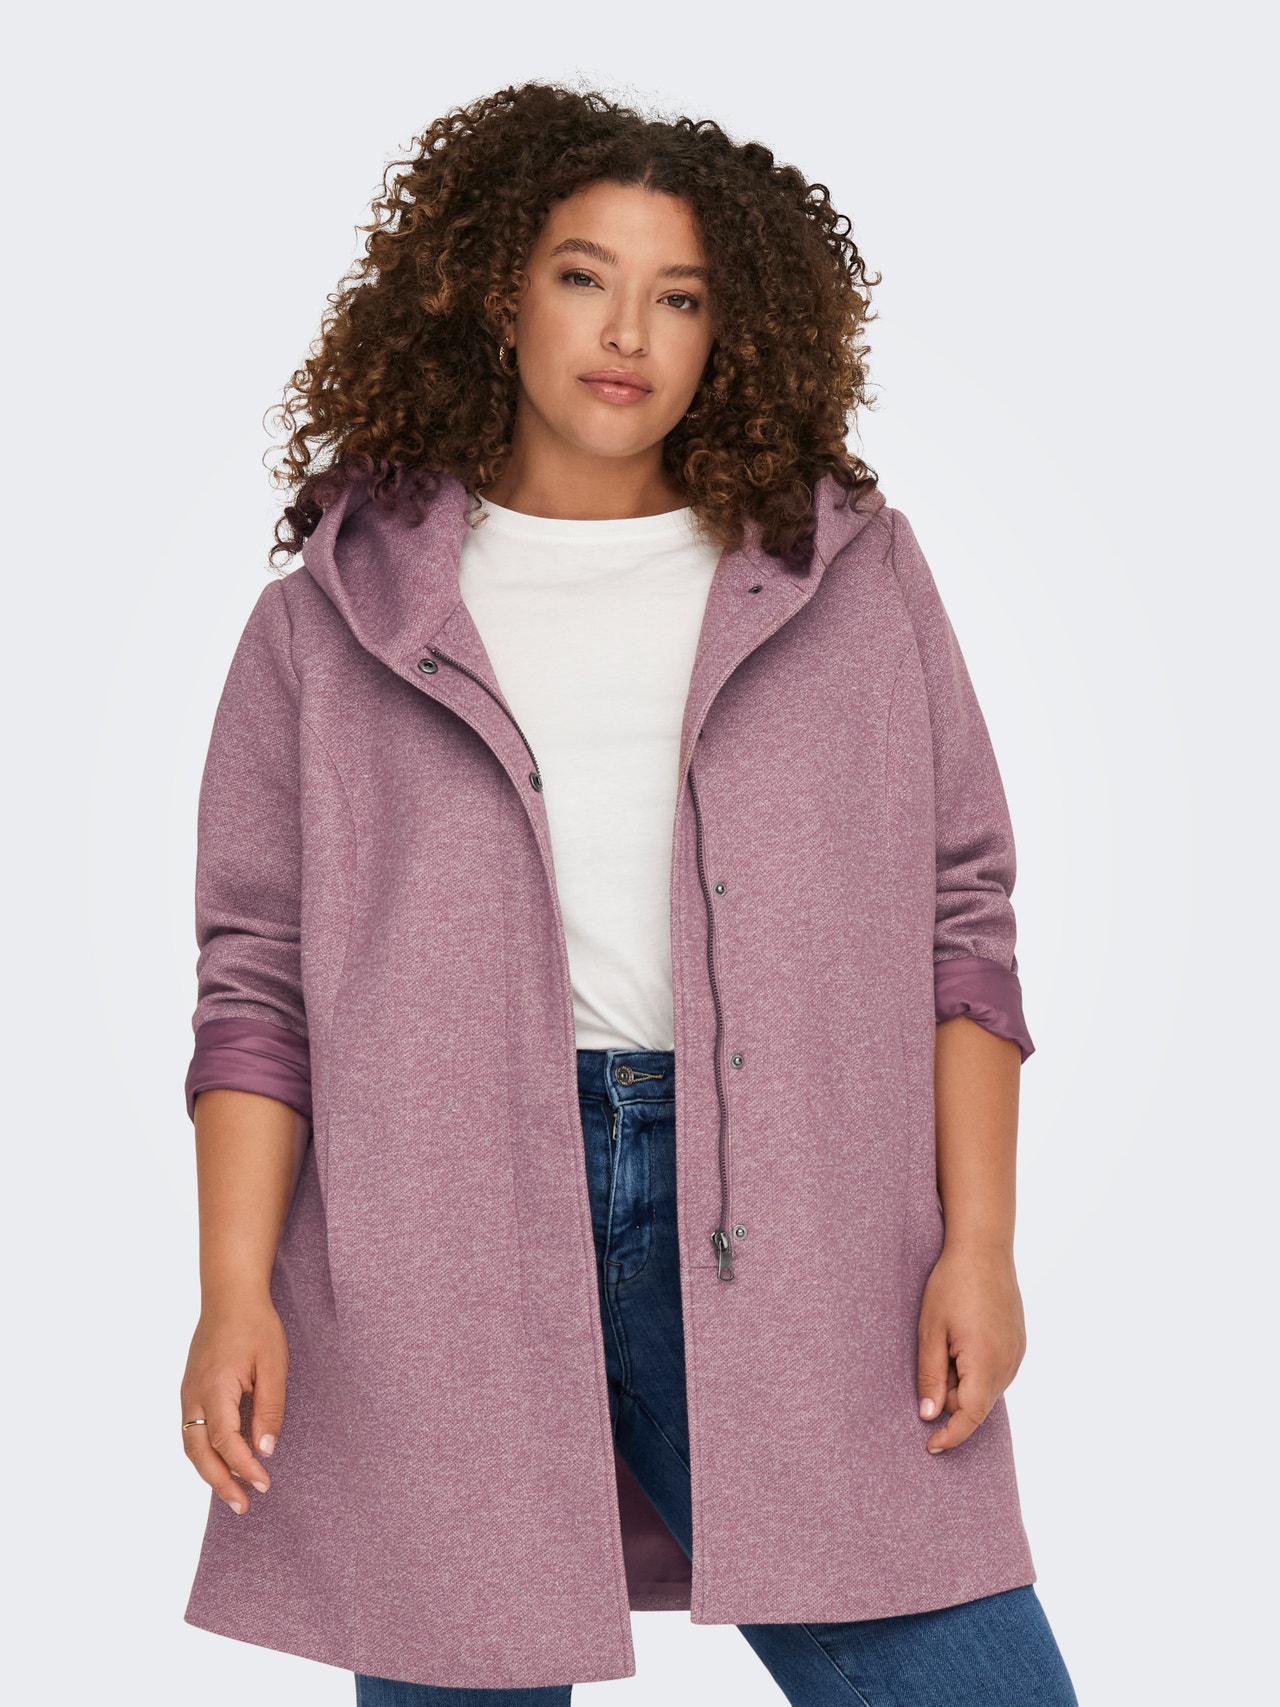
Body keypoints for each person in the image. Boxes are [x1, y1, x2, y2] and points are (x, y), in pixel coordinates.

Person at [178, 82, 1079, 1706]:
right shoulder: (331, 623)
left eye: (680, 297)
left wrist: (983, 1243)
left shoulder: (847, 575)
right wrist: (233, 1289)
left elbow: (964, 922)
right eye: (584, 276)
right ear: (494, 294)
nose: (626, 334)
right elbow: (256, 986)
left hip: (799, 1218)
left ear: (732, 333)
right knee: (463, 1661)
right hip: (439, 1224)